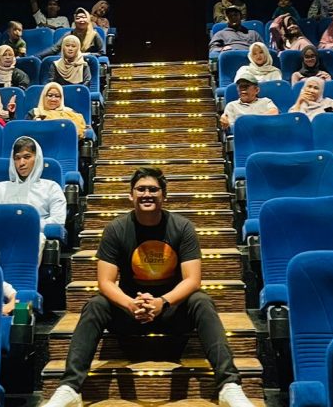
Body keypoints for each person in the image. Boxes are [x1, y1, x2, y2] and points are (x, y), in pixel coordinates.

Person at [40, 166, 255, 407]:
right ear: (131, 195)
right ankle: (70, 387)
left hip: (171, 310)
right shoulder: (116, 229)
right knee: (95, 305)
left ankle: (229, 386)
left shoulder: (182, 227)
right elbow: (105, 282)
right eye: (141, 189)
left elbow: (193, 280)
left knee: (202, 301)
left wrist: (162, 302)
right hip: (130, 311)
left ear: (164, 195)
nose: (147, 194)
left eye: (153, 189)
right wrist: (130, 304)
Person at [0, 137, 67, 260]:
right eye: (17, 158)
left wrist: (24, 225)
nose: (21, 163)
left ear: (37, 158)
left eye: (27, 157)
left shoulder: (51, 187)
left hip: (34, 236)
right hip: (0, 238)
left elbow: (57, 221)